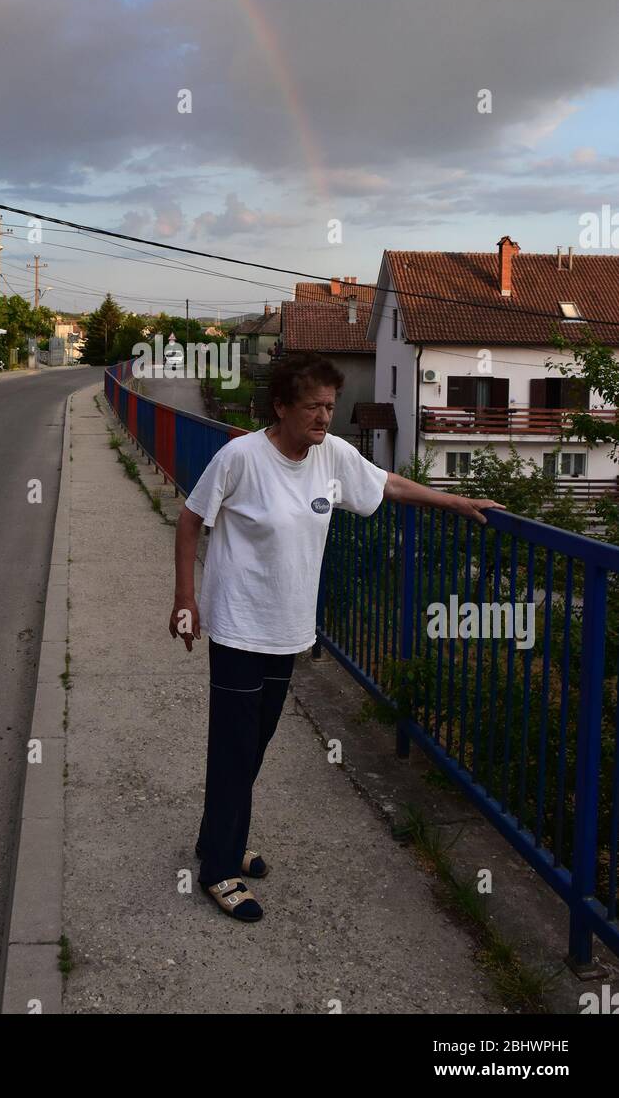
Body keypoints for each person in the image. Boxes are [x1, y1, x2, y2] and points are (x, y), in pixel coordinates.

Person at [169, 351, 505, 922]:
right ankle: (219, 870)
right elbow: (190, 518)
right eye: (312, 407)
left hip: (288, 628)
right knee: (232, 747)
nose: (324, 417)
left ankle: (217, 839)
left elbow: (386, 484)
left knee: (254, 746)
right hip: (238, 625)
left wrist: (454, 499)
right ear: (280, 406)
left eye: (330, 406)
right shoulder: (241, 458)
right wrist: (184, 599)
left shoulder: (330, 456)